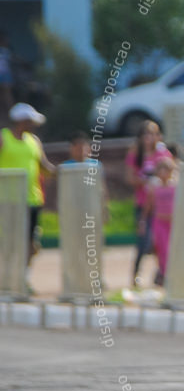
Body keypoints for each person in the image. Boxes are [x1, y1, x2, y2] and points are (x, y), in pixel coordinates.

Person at [0, 103, 55, 288]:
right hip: (8, 200)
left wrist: (64, 172)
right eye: (31, 121)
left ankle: (23, 277)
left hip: (32, 199)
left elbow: (44, 166)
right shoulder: (3, 138)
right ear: (22, 121)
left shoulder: (34, 141)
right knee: (10, 241)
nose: (34, 125)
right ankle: (8, 277)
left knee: (31, 244)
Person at [124, 120, 173, 287]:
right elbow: (130, 177)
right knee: (143, 240)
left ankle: (162, 273)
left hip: (162, 207)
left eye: (153, 134)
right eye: (146, 134)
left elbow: (172, 173)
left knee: (161, 242)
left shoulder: (163, 154)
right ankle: (136, 273)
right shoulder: (136, 154)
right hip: (143, 203)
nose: (149, 138)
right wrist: (145, 180)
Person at [142, 156, 178, 287]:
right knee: (161, 249)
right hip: (159, 221)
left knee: (171, 249)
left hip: (172, 223)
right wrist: (143, 221)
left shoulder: (176, 186)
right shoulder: (154, 187)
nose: (163, 173)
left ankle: (171, 273)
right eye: (161, 170)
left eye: (166, 170)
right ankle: (164, 273)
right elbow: (149, 206)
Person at [62, 130, 110, 223]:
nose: (81, 149)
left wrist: (105, 208)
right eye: (77, 146)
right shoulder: (65, 167)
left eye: (84, 146)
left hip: (92, 207)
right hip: (73, 209)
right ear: (71, 148)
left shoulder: (96, 166)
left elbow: (102, 188)